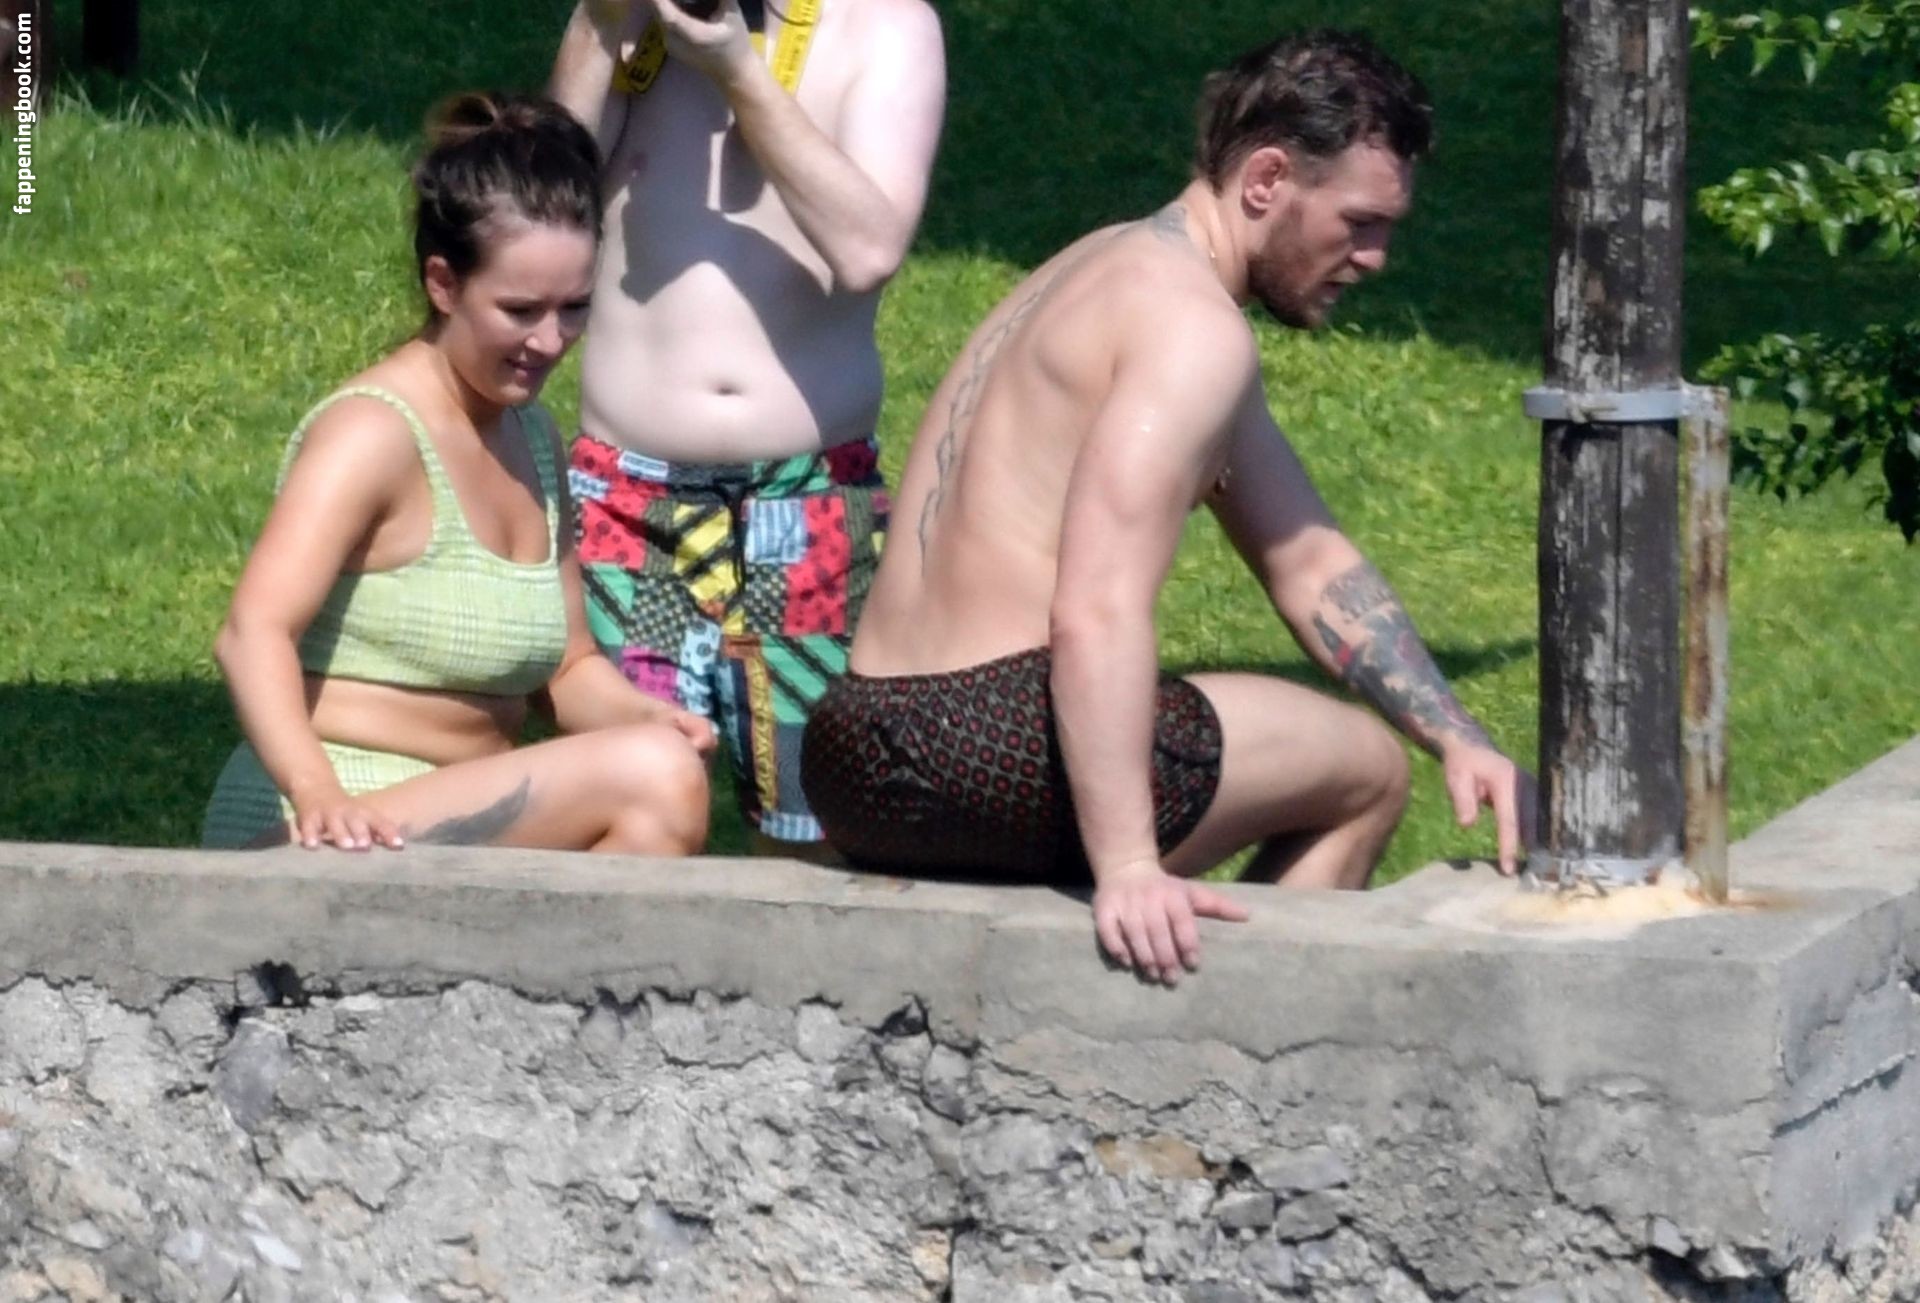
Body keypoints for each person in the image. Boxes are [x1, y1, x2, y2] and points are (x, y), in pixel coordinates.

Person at [800, 31, 1535, 981]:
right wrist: (1129, 865)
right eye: (1359, 222)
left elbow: (1306, 558)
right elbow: (1097, 607)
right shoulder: (1194, 331)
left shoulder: (1098, 267)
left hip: (853, 741)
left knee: (1381, 751)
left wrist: (1458, 736)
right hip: (981, 740)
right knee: (1366, 772)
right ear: (1267, 179)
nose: (1375, 257)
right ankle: (1244, 1038)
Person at [202, 91, 715, 854]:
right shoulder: (372, 431)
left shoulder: (535, 437)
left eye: (574, 307)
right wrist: (318, 792)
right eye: (520, 310)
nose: (551, 340)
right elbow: (252, 633)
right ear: (443, 283)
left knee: (661, 766)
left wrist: (648, 717)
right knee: (654, 777)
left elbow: (568, 666)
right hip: (327, 819)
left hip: (448, 828)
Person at [545, 0, 945, 849]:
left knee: (815, 836)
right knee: (628, 813)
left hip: (807, 500)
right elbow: (543, 203)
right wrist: (600, 26)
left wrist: (736, 69)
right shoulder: (628, 21)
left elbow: (868, 249)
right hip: (630, 502)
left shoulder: (885, 25)